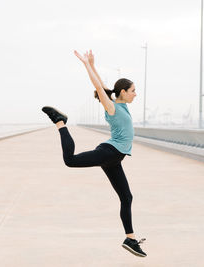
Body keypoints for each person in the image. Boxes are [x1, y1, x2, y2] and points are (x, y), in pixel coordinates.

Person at [41, 50, 146, 257]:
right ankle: (60, 122)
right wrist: (86, 65)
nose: (136, 93)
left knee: (127, 197)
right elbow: (98, 86)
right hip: (109, 153)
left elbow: (102, 86)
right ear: (123, 92)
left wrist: (93, 64)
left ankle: (130, 239)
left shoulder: (122, 104)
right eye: (133, 90)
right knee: (69, 160)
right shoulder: (113, 107)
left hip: (115, 158)